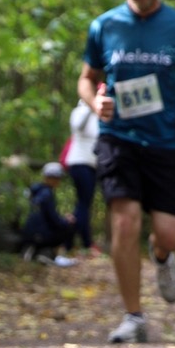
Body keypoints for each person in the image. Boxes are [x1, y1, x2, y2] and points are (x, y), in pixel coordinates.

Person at [79, 0, 175, 343]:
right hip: (119, 137)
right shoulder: (104, 26)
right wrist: (95, 103)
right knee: (124, 220)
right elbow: (86, 79)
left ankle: (162, 254)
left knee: (169, 233)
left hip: (168, 140)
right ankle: (133, 316)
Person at [21, 163, 77, 264]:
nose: (58, 181)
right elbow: (54, 220)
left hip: (27, 233)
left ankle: (37, 250)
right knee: (69, 226)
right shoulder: (47, 194)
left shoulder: (34, 191)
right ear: (49, 178)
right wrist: (66, 221)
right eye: (57, 178)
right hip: (40, 235)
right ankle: (50, 254)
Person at [63, 98, 99, 251]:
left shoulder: (97, 116)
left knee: (84, 204)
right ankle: (79, 242)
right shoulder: (79, 111)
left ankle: (76, 242)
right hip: (79, 162)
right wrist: (90, 106)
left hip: (92, 165)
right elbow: (78, 126)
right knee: (83, 203)